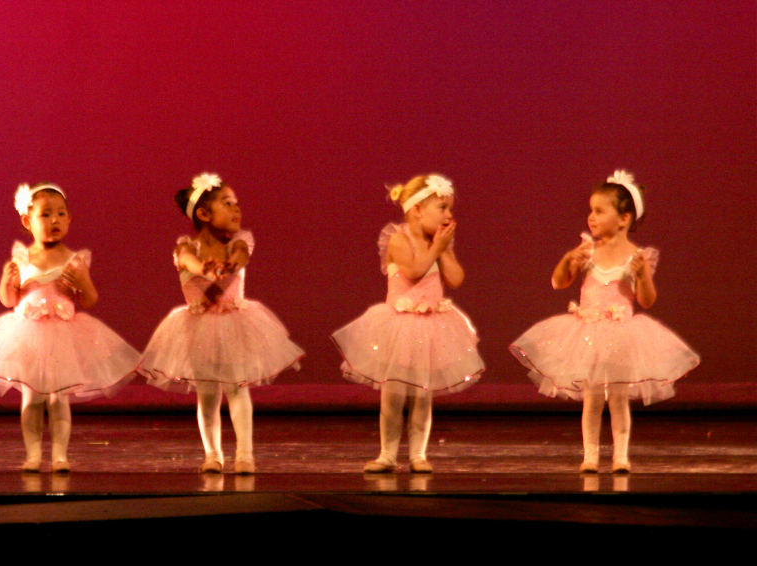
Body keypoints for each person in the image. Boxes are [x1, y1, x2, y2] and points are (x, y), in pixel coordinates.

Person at [510, 170, 700, 473]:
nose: (591, 217)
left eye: (599, 211)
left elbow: (647, 300)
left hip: (622, 336)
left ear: (623, 219)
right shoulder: (588, 251)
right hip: (588, 337)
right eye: (590, 210)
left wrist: (642, 275)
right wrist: (566, 260)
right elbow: (559, 282)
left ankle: (622, 456)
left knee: (619, 398)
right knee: (593, 399)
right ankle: (590, 456)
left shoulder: (637, 256)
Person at [140, 173, 304, 474]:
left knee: (237, 389)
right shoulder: (186, 248)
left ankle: (244, 455)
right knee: (207, 394)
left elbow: (241, 256)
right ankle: (212, 455)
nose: (237, 209)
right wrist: (206, 269)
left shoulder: (238, 244)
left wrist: (230, 266)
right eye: (228, 204)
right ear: (204, 214)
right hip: (197, 329)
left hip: (234, 325)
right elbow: (190, 262)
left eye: (237, 203)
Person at [0, 183, 139, 472]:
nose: (55, 220)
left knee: (59, 398)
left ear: (70, 219)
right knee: (33, 397)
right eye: (46, 215)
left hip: (63, 335)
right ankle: (33, 454)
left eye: (61, 214)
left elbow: (89, 299)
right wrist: (6, 280)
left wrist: (82, 282)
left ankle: (60, 455)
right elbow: (9, 299)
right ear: (28, 221)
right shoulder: (22, 259)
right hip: (29, 336)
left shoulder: (75, 259)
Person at [332, 174, 484, 473]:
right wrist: (436, 248)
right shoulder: (398, 239)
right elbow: (414, 271)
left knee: (422, 395)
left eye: (450, 209)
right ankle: (387, 453)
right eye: (442, 207)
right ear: (417, 210)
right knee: (393, 395)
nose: (449, 215)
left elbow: (455, 278)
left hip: (430, 328)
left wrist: (445, 249)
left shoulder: (438, 244)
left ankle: (418, 454)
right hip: (399, 326)